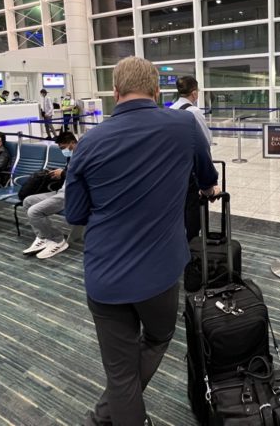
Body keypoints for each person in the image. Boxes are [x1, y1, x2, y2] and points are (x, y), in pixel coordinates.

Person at [65, 57, 219, 426]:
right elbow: (207, 177)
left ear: (115, 93)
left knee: (120, 373)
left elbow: (75, 214)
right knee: (159, 336)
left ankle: (112, 413)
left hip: (105, 276)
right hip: (160, 272)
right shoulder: (184, 125)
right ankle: (105, 414)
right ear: (156, 92)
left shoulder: (88, 143)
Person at [22, 132, 78, 259]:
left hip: (72, 194)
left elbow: (82, 176)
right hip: (61, 191)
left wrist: (63, 173)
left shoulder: (84, 155)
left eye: (63, 147)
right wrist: (60, 173)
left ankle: (58, 240)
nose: (63, 150)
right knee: (28, 201)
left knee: (33, 212)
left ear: (72, 143)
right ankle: (43, 237)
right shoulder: (72, 155)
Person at [170, 75, 212, 241]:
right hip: (190, 171)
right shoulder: (194, 112)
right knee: (192, 208)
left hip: (173, 170)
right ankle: (193, 244)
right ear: (194, 93)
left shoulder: (170, 109)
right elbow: (205, 142)